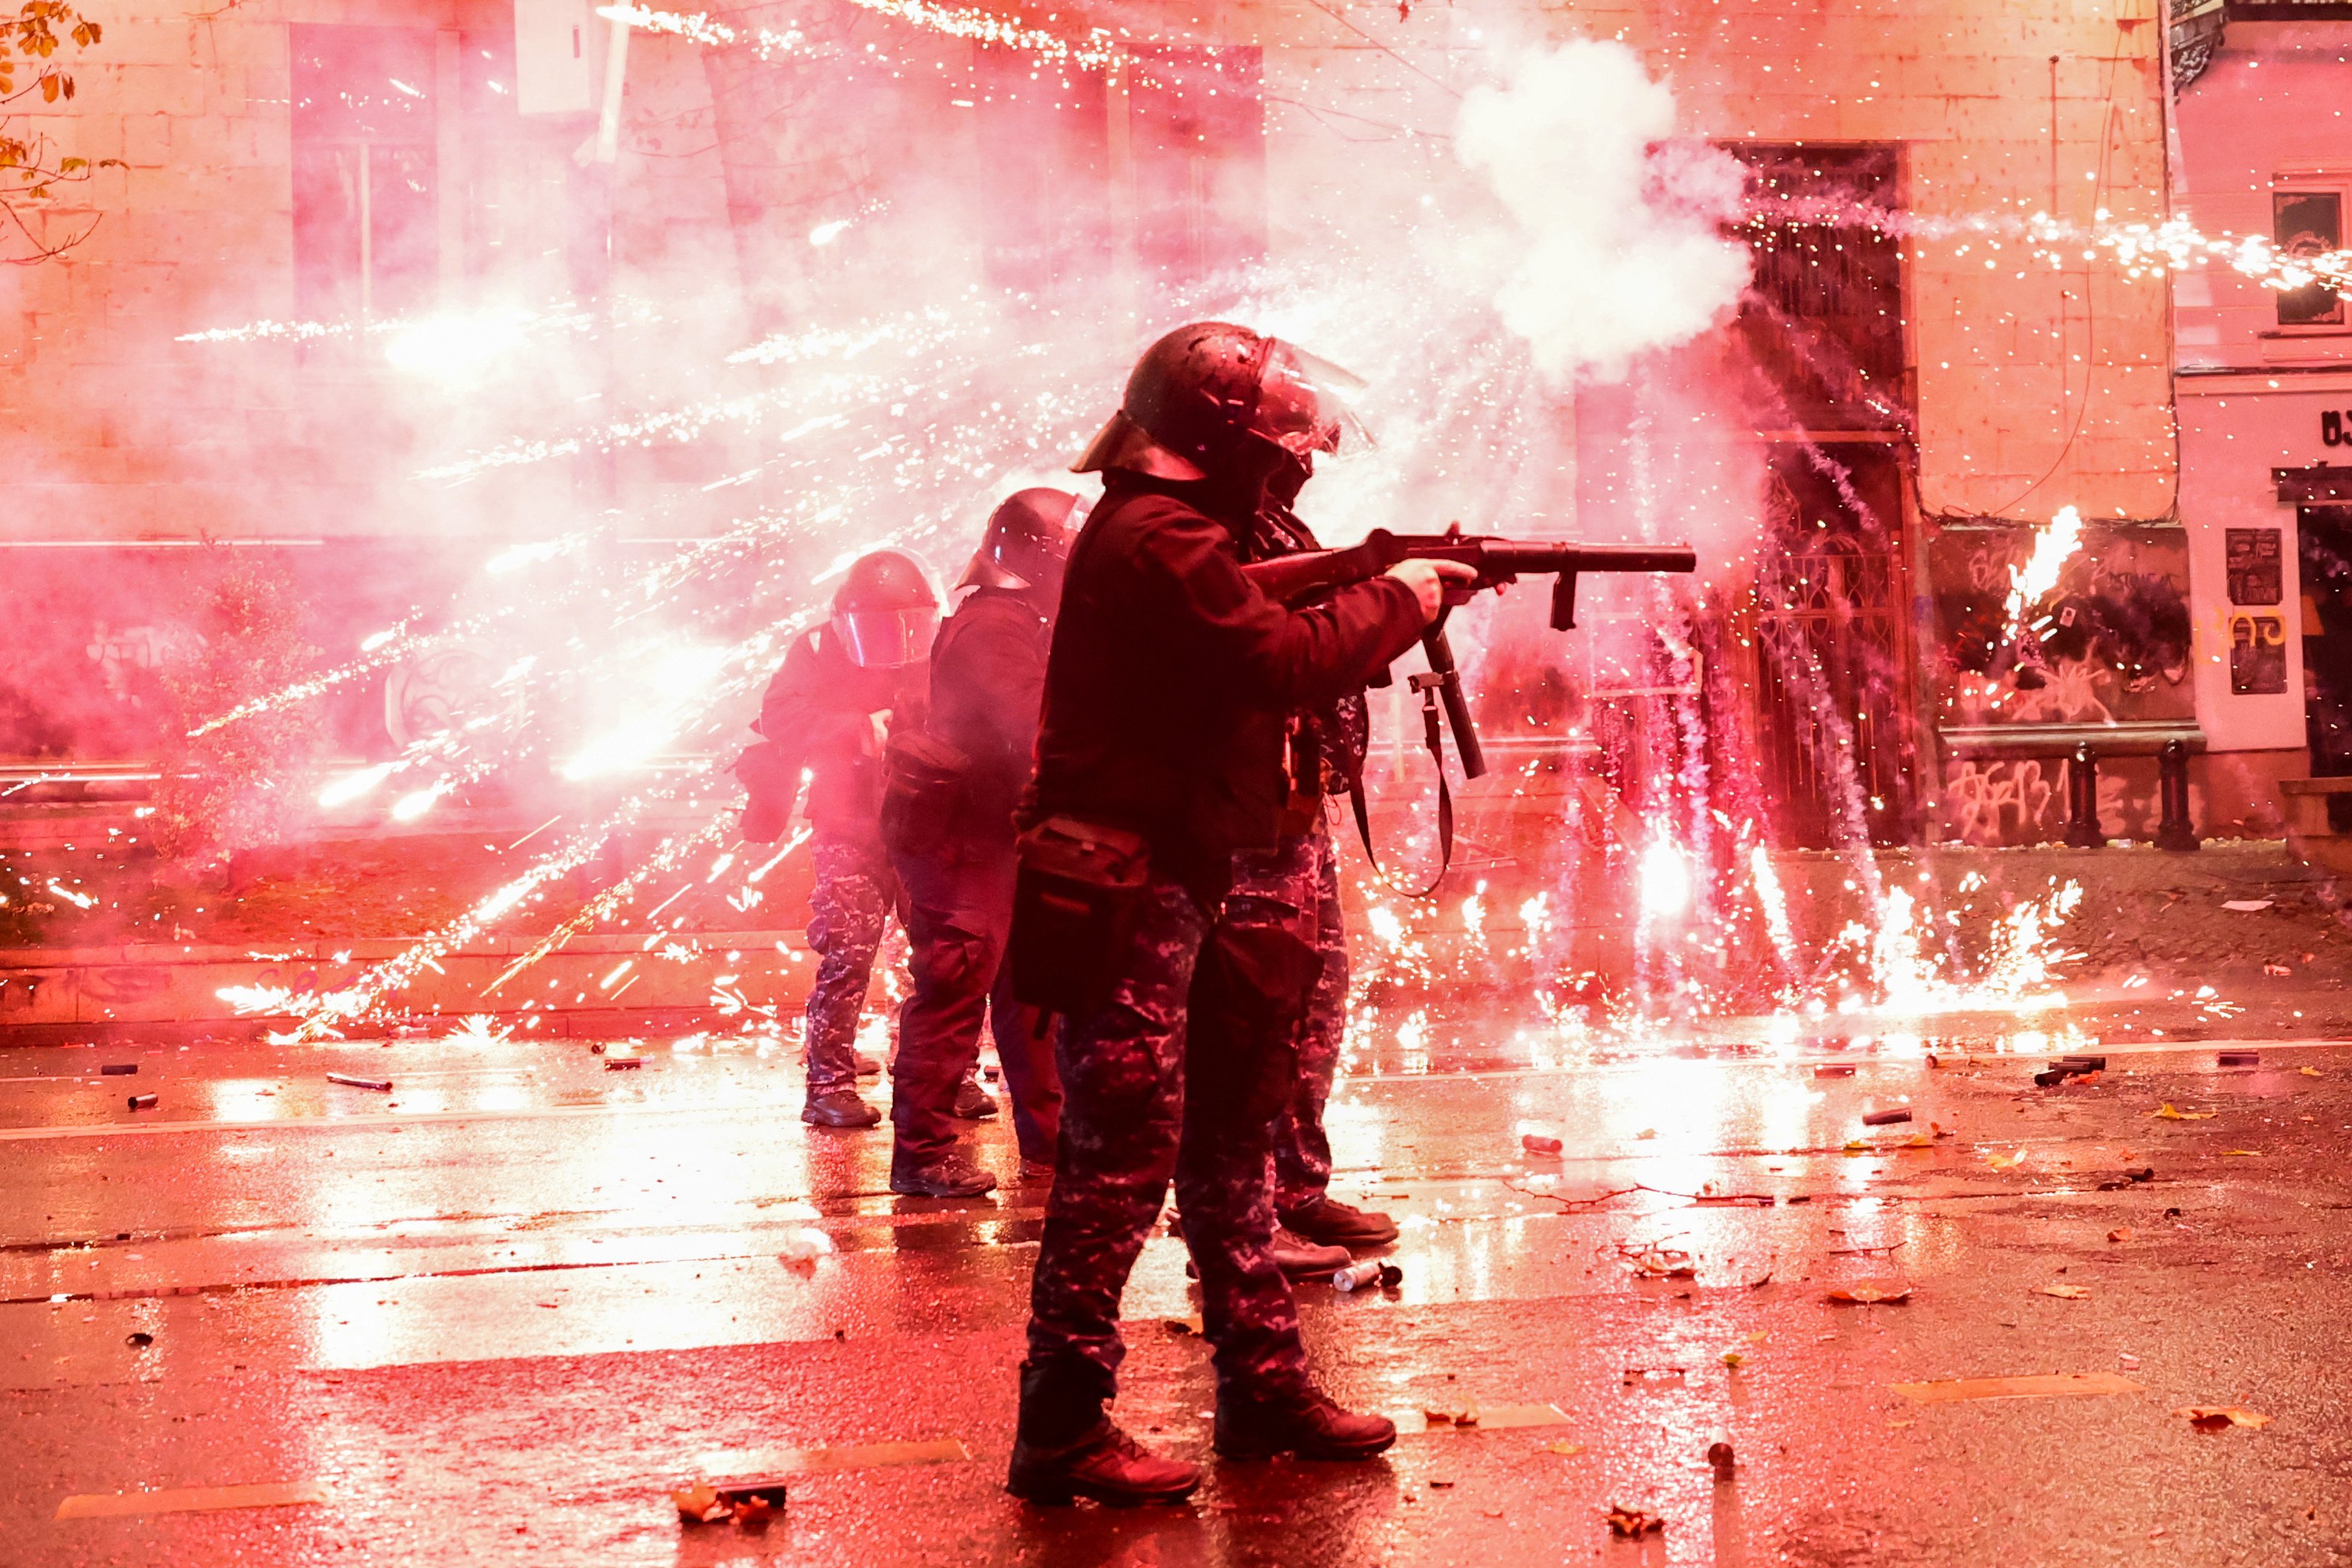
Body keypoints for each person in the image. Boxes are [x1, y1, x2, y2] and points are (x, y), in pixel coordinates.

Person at [1005, 322, 1475, 1506]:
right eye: (1274, 447)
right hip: (1133, 890)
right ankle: (1062, 1423)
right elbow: (1273, 660)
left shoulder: (1169, 530)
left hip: (1194, 875)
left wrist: (1366, 576)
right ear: (1221, 438)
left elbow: (1263, 622)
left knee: (1227, 1151)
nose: (1290, 466)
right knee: (1119, 1164)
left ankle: (1261, 1386)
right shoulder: (1157, 537)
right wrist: (1407, 596)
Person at [883, 489, 1077, 1198]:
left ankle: (1052, 1150)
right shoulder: (995, 625)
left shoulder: (1012, 618)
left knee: (1030, 999)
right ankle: (924, 1156)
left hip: (1002, 839)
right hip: (966, 844)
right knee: (954, 994)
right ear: (1030, 556)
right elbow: (1034, 729)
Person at [748, 549, 937, 1130]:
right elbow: (780, 716)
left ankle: (933, 1079)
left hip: (922, 827)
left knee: (938, 961)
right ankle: (828, 1084)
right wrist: (855, 731)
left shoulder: (937, 648)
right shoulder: (815, 649)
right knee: (848, 956)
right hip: (848, 828)